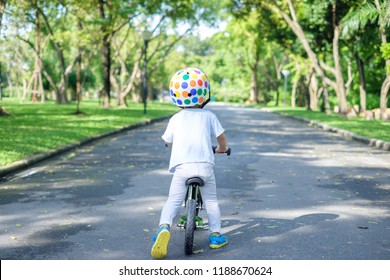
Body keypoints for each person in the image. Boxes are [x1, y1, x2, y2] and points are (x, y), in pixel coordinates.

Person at [151, 67, 229, 259]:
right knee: (211, 201)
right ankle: (215, 235)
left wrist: (168, 142)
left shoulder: (175, 118)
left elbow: (167, 140)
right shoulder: (209, 116)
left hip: (182, 168)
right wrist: (222, 149)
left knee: (173, 200)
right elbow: (221, 138)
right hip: (205, 166)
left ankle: (163, 228)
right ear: (205, 94)